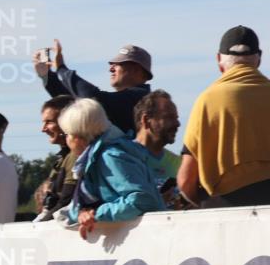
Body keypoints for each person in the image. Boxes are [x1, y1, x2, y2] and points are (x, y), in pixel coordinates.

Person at [178, 26, 270, 208]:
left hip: (225, 213)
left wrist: (205, 204)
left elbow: (185, 180)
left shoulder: (207, 101)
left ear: (219, 60)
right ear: (259, 58)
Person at [58, 98, 166, 240]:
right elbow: (74, 209)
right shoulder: (94, 159)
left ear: (78, 137)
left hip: (150, 239)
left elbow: (142, 200)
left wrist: (97, 214)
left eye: (66, 134)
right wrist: (82, 213)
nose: (66, 140)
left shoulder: (111, 157)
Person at [34, 38, 152, 133]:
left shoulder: (141, 99)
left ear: (137, 70)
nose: (111, 68)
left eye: (118, 64)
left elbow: (93, 99)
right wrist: (47, 76)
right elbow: (72, 104)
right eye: (112, 64)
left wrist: (61, 69)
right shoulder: (126, 99)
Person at [132, 90, 182, 206]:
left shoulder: (179, 163)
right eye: (169, 117)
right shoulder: (123, 157)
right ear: (146, 120)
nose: (177, 124)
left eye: (176, 118)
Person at [35, 95, 77, 221]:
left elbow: (65, 202)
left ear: (65, 121)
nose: (43, 129)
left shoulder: (75, 156)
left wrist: (39, 225)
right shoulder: (63, 158)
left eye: (49, 122)